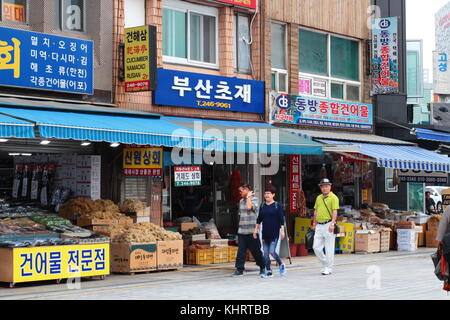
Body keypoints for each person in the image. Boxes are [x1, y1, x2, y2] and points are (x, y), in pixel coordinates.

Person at [233, 183, 265, 277]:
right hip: (242, 230)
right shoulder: (240, 201)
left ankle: (262, 267)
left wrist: (249, 197)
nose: (239, 193)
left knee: (256, 251)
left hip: (252, 231)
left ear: (246, 190)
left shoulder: (255, 199)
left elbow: (249, 207)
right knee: (241, 251)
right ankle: (239, 269)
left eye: (241, 190)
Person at [253, 185, 286, 277]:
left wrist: (282, 231)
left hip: (274, 232)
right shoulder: (262, 205)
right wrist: (255, 230)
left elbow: (281, 219)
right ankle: (268, 270)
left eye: (269, 193)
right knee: (265, 253)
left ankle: (281, 263)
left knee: (272, 251)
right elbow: (259, 219)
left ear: (273, 195)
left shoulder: (277, 205)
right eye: (265, 193)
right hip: (265, 232)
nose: (266, 195)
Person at [312, 178, 339, 275]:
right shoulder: (319, 197)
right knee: (316, 247)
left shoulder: (334, 197)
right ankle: (325, 263)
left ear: (330, 187)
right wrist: (314, 223)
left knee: (329, 248)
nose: (324, 188)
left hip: (328, 224)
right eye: (322, 186)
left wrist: (332, 223)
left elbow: (334, 211)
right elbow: (315, 211)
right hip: (319, 225)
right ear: (320, 187)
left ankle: (329, 267)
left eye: (326, 186)